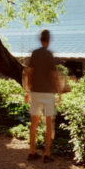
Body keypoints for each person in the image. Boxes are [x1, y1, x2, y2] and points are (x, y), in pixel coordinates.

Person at [22, 29, 62, 162]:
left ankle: (31, 152)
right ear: (48, 40)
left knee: (34, 123)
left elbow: (28, 72)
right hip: (48, 93)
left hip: (35, 92)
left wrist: (27, 91)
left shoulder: (34, 54)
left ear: (40, 39)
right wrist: (59, 92)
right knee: (48, 124)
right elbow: (55, 75)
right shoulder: (49, 55)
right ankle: (47, 154)